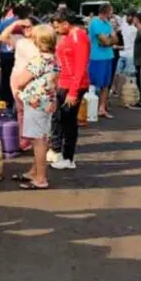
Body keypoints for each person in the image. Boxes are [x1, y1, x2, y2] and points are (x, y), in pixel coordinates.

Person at [13, 24, 59, 189]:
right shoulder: (53, 58)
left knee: (38, 140)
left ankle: (40, 178)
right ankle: (35, 171)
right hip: (47, 101)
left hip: (35, 101)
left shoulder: (39, 60)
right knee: (41, 137)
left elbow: (21, 80)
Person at [47, 12, 90, 170]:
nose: (56, 30)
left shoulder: (79, 37)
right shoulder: (68, 36)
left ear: (66, 23)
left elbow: (80, 67)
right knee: (60, 119)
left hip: (74, 85)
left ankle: (68, 158)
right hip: (64, 84)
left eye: (57, 26)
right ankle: (61, 154)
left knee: (69, 122)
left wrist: (73, 91)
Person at [1, 14, 37, 151]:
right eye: (24, 27)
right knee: (20, 110)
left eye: (29, 26)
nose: (26, 29)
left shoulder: (41, 41)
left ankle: (36, 138)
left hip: (33, 78)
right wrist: (15, 25)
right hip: (16, 77)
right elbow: (2, 37)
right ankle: (23, 139)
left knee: (33, 110)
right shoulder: (20, 40)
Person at [87, 3, 116, 119]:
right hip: (96, 57)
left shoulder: (107, 23)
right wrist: (110, 39)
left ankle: (101, 108)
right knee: (93, 83)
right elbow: (106, 41)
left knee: (105, 85)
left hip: (108, 56)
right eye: (111, 11)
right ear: (106, 11)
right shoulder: (95, 23)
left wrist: (110, 39)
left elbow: (115, 39)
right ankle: (89, 109)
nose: (112, 13)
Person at [0, 6, 22, 105]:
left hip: (6, 54)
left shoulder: (6, 23)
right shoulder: (28, 24)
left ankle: (5, 101)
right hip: (21, 55)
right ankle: (17, 101)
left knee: (5, 78)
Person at [113, 11, 138, 98]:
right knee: (119, 73)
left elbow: (131, 45)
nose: (127, 17)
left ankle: (126, 94)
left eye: (129, 16)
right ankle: (118, 91)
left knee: (126, 74)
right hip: (124, 54)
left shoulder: (134, 30)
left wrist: (118, 47)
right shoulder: (126, 27)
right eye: (127, 16)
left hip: (129, 54)